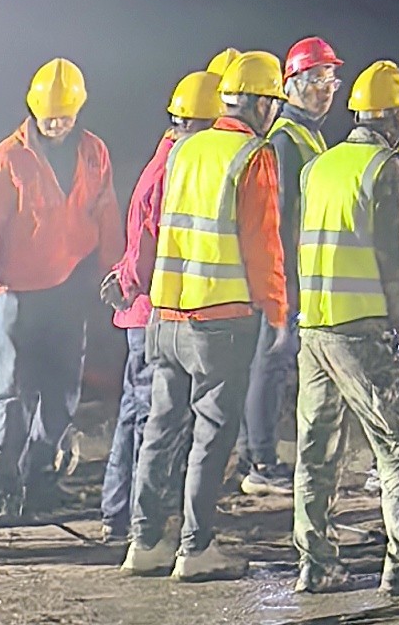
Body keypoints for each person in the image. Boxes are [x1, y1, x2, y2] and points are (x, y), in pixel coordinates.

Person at [122, 49, 287, 583]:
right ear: (262, 104)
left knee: (160, 428)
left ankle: (144, 543)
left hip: (166, 315)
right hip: (221, 318)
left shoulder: (183, 149)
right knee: (212, 434)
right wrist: (278, 309)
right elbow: (262, 245)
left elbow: (151, 222)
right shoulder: (252, 156)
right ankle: (195, 548)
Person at [294, 61, 399, 598]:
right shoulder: (387, 167)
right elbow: (398, 256)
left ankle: (316, 564)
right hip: (361, 329)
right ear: (397, 114)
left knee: (317, 451)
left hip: (315, 328)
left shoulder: (321, 166)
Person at [0, 57, 123, 521]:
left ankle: (39, 476)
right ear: (34, 110)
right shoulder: (8, 157)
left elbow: (106, 211)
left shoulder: (93, 152)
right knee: (12, 392)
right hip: (16, 290)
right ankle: (6, 482)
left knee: (61, 390)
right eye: (49, 116)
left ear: (78, 111)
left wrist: (114, 272)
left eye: (65, 116)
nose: (56, 124)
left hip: (70, 287)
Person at [98, 72, 220, 542]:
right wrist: (130, 282)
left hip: (143, 308)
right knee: (149, 418)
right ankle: (133, 520)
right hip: (152, 309)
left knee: (135, 413)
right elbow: (148, 238)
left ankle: (119, 513)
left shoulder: (166, 158)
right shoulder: (175, 167)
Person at [238, 34, 340, 496]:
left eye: (331, 78)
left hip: (300, 269)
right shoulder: (285, 138)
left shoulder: (307, 135)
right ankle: (260, 461)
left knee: (274, 361)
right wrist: (283, 281)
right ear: (291, 84)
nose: (326, 87)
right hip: (288, 271)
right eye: (316, 78)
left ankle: (254, 453)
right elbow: (277, 215)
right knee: (271, 361)